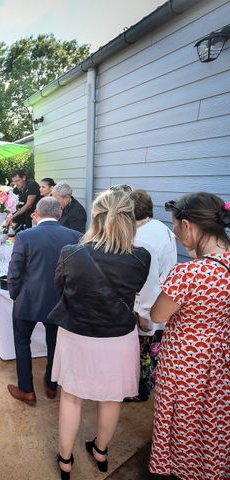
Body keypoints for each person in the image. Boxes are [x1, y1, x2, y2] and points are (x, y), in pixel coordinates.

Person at [48, 189, 150, 479]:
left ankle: (65, 459)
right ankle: (101, 451)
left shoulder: (72, 253)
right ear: (130, 220)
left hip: (78, 334)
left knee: (71, 398)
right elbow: (135, 291)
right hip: (118, 337)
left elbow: (61, 289)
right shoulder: (141, 257)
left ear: (95, 218)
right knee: (111, 398)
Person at [149, 192, 230, 480]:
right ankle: (212, 469)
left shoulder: (189, 273)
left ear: (189, 225)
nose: (178, 237)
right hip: (219, 357)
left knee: (183, 420)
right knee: (212, 418)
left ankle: (184, 470)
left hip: (186, 360)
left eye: (177, 229)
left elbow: (158, 315)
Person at [6, 197, 82, 406]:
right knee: (54, 344)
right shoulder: (76, 236)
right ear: (59, 214)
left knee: (22, 343)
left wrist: (15, 295)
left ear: (36, 214)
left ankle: (27, 389)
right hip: (59, 301)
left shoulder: (25, 236)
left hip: (28, 300)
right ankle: (51, 384)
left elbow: (15, 271)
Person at [126, 189, 177, 402]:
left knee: (142, 354)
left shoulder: (142, 239)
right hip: (162, 300)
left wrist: (142, 312)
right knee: (151, 352)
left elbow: (147, 281)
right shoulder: (160, 228)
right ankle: (144, 386)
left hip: (150, 306)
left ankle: (137, 392)